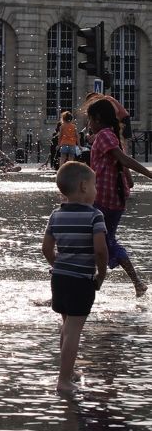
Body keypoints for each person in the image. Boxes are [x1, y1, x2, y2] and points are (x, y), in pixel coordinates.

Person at [42, 160, 108, 394]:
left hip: (59, 278)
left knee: (66, 325)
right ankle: (63, 380)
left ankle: (67, 372)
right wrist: (100, 273)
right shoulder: (95, 216)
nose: (96, 190)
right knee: (74, 330)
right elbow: (100, 250)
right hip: (81, 280)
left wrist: (57, 264)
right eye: (94, 186)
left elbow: (46, 248)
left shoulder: (56, 214)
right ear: (83, 187)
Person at [86, 97, 152, 297]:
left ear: (97, 119)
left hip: (104, 197)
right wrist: (129, 180)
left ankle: (89, 281)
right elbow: (120, 161)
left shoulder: (105, 135)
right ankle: (131, 282)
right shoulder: (110, 134)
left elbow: (123, 159)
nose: (88, 125)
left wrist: (149, 174)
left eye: (89, 120)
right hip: (114, 198)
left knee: (101, 240)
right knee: (104, 239)